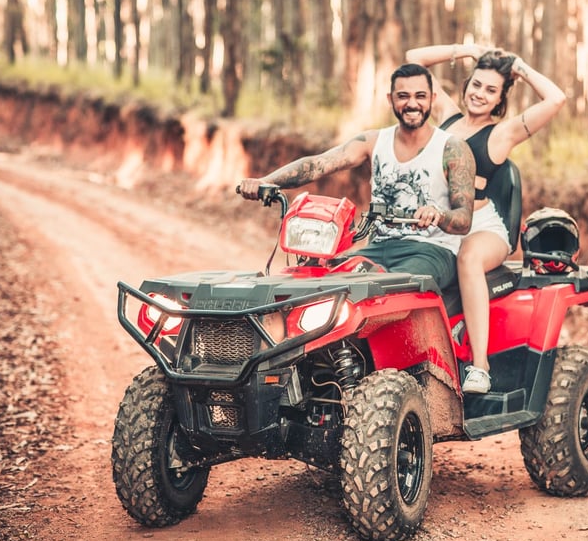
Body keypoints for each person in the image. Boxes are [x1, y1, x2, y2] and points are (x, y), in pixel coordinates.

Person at [405, 43, 566, 394]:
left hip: (483, 227)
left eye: (490, 90)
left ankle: (480, 366)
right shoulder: (445, 115)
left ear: (499, 100)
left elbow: (556, 100)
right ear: (467, 85)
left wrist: (519, 67)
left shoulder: (501, 134)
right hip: (441, 224)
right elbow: (413, 59)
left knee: (469, 258)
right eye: (476, 85)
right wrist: (463, 50)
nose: (480, 94)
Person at [238, 63, 475, 291]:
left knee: (390, 289)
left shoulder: (452, 148)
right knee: (323, 284)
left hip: (431, 251)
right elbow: (318, 164)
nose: (412, 103)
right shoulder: (374, 141)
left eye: (420, 96)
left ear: (432, 99)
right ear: (390, 99)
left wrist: (439, 215)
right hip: (377, 248)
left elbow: (464, 220)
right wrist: (265, 182)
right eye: (403, 96)